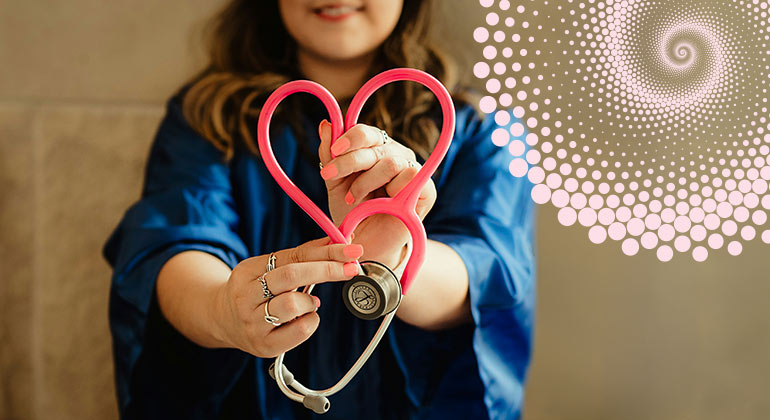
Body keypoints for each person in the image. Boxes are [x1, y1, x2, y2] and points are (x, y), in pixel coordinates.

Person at [102, 0, 536, 419]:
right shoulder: (206, 118)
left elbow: (486, 273)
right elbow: (171, 242)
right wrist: (223, 312)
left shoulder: (481, 128)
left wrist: (388, 258)